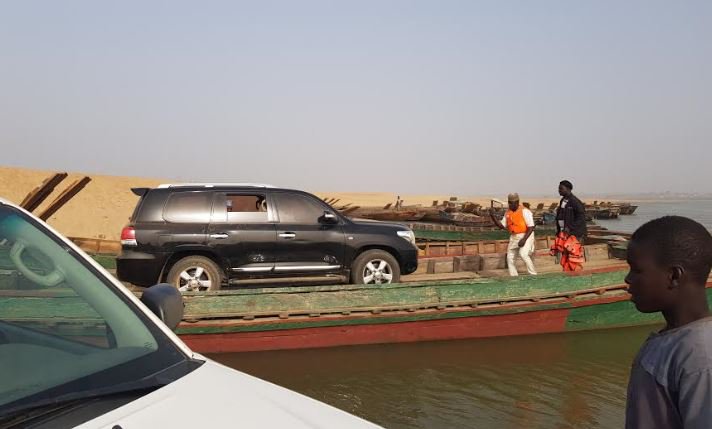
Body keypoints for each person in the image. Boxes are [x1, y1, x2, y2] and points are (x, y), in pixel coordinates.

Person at [624, 216, 712, 429]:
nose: (627, 279)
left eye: (636, 270)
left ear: (673, 275)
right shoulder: (671, 341)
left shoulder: (701, 358)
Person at [490, 193, 537, 276]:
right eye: (510, 203)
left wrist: (524, 239)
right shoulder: (507, 213)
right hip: (514, 236)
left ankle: (533, 274)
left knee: (523, 254)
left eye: (513, 202)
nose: (511, 204)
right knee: (510, 258)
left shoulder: (525, 211)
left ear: (518, 202)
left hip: (526, 235)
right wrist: (493, 216)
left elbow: (531, 227)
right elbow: (501, 226)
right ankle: (514, 276)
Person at [554, 180, 587, 271]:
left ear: (568, 189)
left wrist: (570, 228)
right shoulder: (563, 201)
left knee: (573, 256)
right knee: (565, 255)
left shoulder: (575, 201)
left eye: (561, 188)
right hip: (564, 234)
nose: (559, 190)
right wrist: (559, 231)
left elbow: (581, 217)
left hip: (574, 234)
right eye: (558, 188)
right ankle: (567, 272)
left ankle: (576, 274)